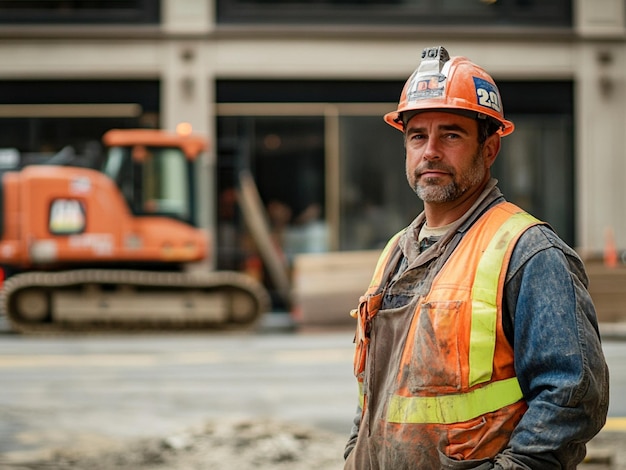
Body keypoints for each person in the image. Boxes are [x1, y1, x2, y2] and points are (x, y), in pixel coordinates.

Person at [343, 46, 609, 469]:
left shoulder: (529, 251)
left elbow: (572, 398)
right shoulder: (397, 251)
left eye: (451, 134)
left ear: (489, 149)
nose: (430, 151)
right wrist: (356, 451)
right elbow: (379, 392)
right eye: (418, 136)